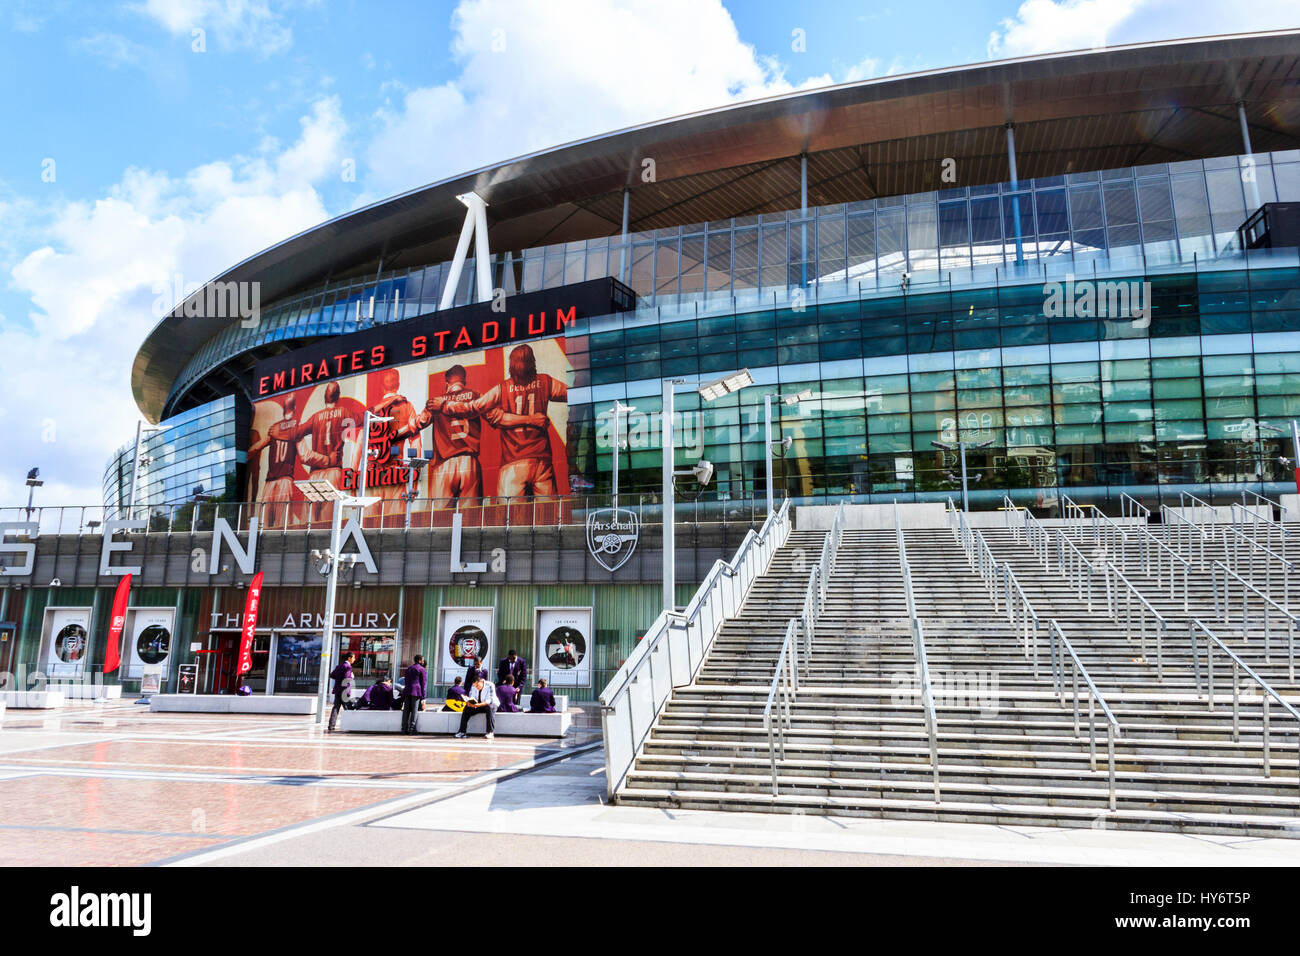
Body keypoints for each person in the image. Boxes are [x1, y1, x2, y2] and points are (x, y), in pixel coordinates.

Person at [432, 343, 567, 498]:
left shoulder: (502, 388)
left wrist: (444, 405)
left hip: (512, 463)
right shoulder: (545, 381)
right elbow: (573, 393)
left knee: (509, 518)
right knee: (549, 515)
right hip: (542, 460)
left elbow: (473, 408)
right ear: (533, 362)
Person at [327, 652, 355, 732]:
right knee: (348, 708)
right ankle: (351, 725)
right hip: (344, 691)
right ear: (349, 658)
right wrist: (352, 677)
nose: (354, 659)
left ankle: (331, 726)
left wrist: (339, 679)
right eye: (353, 657)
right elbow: (347, 679)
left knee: (336, 708)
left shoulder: (339, 666)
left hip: (337, 690)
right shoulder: (348, 667)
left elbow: (332, 675)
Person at [402, 655, 427, 735]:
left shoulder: (409, 668)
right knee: (414, 710)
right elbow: (423, 683)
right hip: (416, 691)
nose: (423, 661)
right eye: (422, 660)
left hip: (407, 690)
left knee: (406, 710)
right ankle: (412, 729)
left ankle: (404, 729)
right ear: (419, 660)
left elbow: (405, 680)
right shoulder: (421, 669)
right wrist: (424, 697)